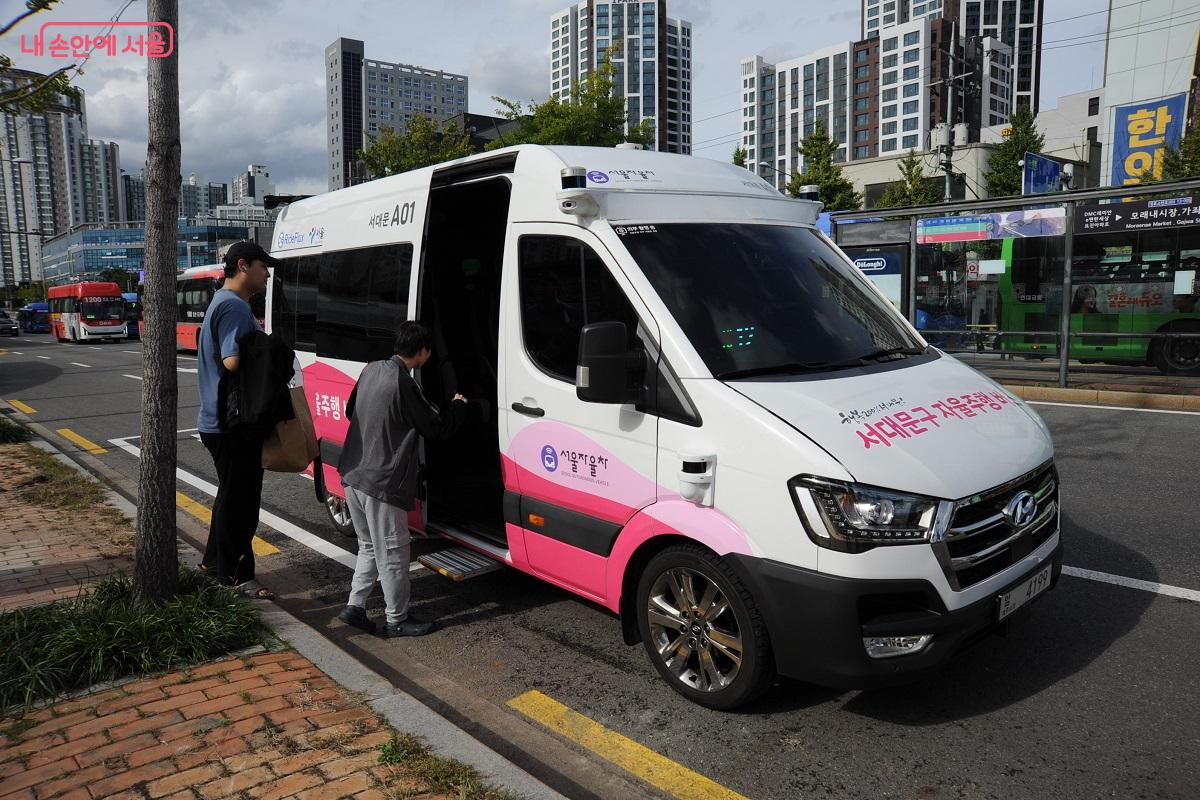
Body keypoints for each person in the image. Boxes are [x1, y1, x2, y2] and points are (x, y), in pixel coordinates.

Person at [337, 321, 468, 637]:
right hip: (382, 482)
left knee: (369, 545)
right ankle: (397, 620)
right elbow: (436, 428)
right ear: (423, 352)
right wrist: (458, 407)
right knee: (394, 552)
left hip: (352, 475)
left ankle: (355, 606)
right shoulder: (404, 384)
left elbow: (350, 411)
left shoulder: (371, 370)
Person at [197, 240, 277, 599]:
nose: (267, 274)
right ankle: (238, 577)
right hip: (233, 424)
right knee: (242, 503)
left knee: (230, 497)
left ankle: (213, 564)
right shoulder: (234, 308)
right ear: (243, 265)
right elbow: (232, 361)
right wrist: (269, 352)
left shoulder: (222, 301)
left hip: (218, 421)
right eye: (264, 267)